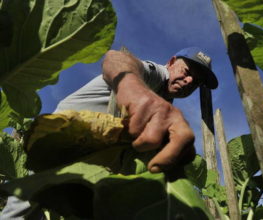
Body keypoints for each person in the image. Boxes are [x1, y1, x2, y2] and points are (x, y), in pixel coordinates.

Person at [0, 47, 218, 219]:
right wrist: (134, 89)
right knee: (23, 208)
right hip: (65, 141)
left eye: (196, 82)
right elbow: (116, 58)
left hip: (93, 161)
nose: (189, 81)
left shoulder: (164, 102)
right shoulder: (154, 75)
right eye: (187, 72)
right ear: (171, 63)